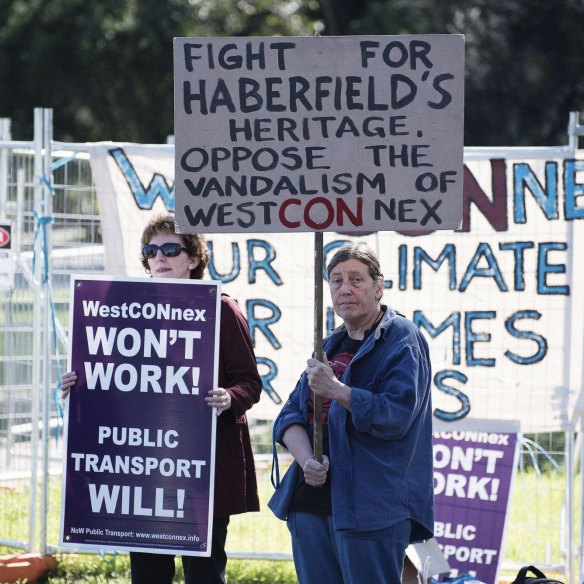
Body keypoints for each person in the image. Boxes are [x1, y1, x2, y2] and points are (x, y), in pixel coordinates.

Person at [61, 213, 262, 584]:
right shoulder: (125, 309)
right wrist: (80, 385)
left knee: (204, 574)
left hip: (202, 471)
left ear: (194, 258)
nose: (159, 257)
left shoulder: (220, 309)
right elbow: (108, 377)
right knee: (148, 574)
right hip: (143, 473)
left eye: (171, 248)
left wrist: (228, 397)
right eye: (150, 250)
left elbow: (250, 382)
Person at [268, 242, 434, 584]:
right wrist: (305, 462)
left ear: (379, 286)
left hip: (370, 508)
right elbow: (289, 417)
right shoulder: (329, 344)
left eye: (356, 279)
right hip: (310, 500)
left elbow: (397, 415)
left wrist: (339, 392)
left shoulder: (402, 339)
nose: (345, 289)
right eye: (336, 280)